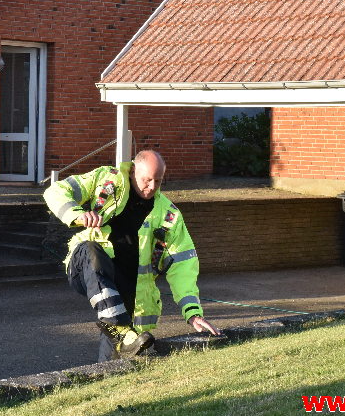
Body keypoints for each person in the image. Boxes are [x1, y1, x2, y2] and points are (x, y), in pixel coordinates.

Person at [44, 150, 221, 361]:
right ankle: (119, 327)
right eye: (147, 180)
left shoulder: (169, 214)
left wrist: (192, 312)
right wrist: (77, 214)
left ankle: (118, 340)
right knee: (90, 250)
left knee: (117, 355)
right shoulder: (106, 179)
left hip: (128, 289)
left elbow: (183, 263)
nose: (152, 187)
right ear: (133, 171)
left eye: (158, 180)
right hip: (84, 267)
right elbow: (56, 191)